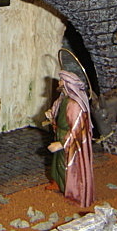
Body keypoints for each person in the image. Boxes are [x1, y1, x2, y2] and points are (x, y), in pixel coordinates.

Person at [46, 70, 95, 207]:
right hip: (60, 134)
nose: (59, 83)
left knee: (67, 166)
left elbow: (76, 128)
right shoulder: (63, 99)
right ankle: (58, 183)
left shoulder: (74, 104)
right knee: (57, 163)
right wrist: (51, 115)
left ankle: (75, 193)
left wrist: (62, 143)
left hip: (71, 140)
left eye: (61, 81)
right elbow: (57, 111)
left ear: (67, 84)